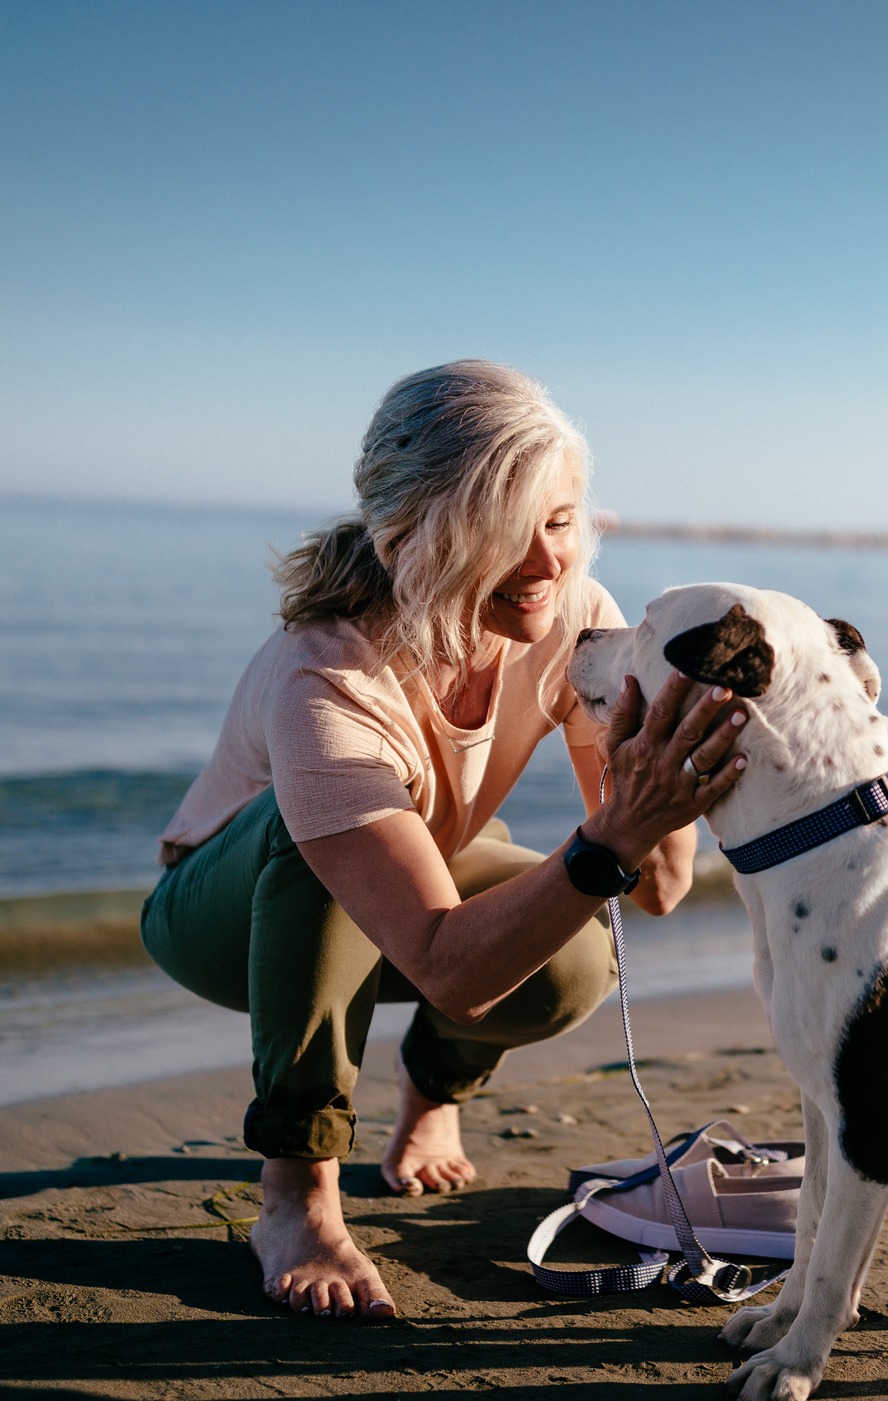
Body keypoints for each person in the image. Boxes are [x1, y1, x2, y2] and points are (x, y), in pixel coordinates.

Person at [140, 360, 747, 1322]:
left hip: (408, 878)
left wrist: (671, 734)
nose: (549, 563)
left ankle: (431, 1092)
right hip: (224, 916)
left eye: (560, 521)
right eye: (505, 535)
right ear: (406, 534)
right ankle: (295, 1195)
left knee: (574, 961)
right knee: (317, 848)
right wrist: (613, 830)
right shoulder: (328, 680)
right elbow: (451, 967)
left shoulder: (574, 614)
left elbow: (657, 888)